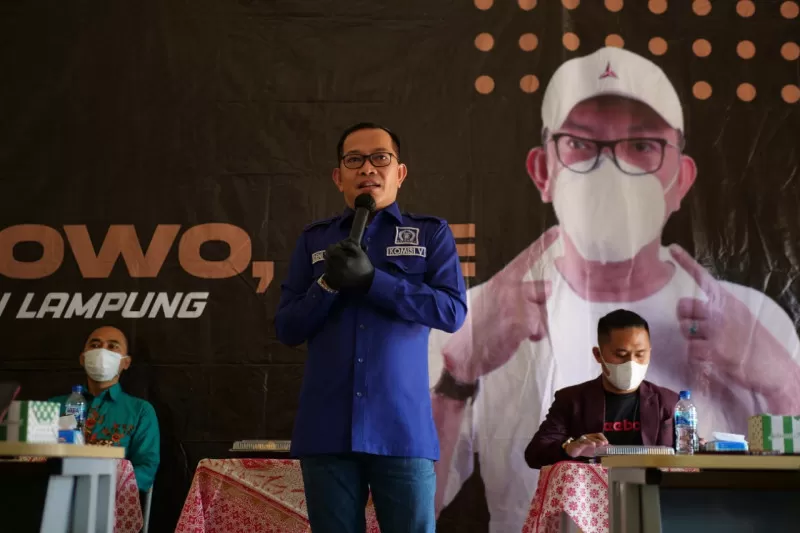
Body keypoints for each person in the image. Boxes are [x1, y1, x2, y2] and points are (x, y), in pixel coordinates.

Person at [429, 46, 800, 532]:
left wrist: (782, 382)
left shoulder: (753, 324)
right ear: (543, 170)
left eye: (642, 145)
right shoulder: (472, 319)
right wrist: (457, 378)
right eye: (579, 143)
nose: (612, 171)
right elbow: (413, 506)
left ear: (682, 177)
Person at [275, 122, 467, 533]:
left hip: (401, 427)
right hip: (326, 429)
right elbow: (287, 328)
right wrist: (327, 285)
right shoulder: (314, 240)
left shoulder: (430, 233)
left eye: (381, 158)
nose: (368, 168)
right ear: (338, 176)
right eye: (354, 160)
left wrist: (373, 280)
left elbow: (451, 311)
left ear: (400, 172)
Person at [525, 310, 678, 469]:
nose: (631, 363)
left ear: (649, 353)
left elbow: (688, 455)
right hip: (591, 485)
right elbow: (535, 454)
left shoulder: (669, 402)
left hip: (651, 484)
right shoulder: (572, 400)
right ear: (598, 355)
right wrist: (569, 448)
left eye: (640, 354)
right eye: (621, 354)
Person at [50, 326, 160, 492]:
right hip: (57, 495)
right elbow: (35, 458)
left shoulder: (140, 411)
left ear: (126, 362)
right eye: (95, 345)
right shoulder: (55, 406)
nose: (102, 351)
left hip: (112, 500)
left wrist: (99, 486)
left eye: (112, 346)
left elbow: (146, 470)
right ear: (82, 358)